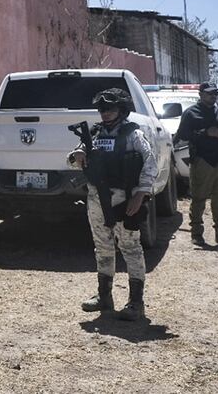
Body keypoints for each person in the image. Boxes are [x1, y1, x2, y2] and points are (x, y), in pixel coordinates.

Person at [67, 88, 157, 321]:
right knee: (103, 247)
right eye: (102, 109)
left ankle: (136, 303)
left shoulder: (132, 134)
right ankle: (104, 297)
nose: (105, 113)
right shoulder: (94, 134)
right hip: (97, 197)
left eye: (111, 109)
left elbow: (150, 163)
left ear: (122, 110)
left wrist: (140, 195)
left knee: (130, 247)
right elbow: (74, 160)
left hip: (124, 199)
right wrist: (77, 155)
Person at [175, 81, 218, 246]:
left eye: (215, 93)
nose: (213, 96)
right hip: (201, 160)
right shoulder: (191, 113)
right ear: (200, 94)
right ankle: (197, 233)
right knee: (199, 198)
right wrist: (205, 133)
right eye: (209, 93)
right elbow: (182, 135)